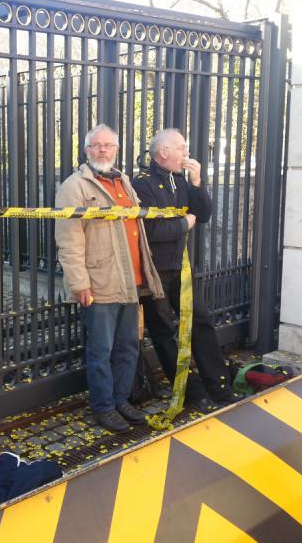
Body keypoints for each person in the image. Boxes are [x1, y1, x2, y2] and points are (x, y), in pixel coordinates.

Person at [54, 124, 164, 432]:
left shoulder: (124, 181)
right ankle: (104, 407)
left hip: (131, 279)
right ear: (86, 150)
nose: (103, 150)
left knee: (128, 346)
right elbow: (69, 240)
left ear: (116, 149)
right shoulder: (74, 187)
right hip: (100, 281)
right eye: (97, 145)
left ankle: (121, 400)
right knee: (101, 351)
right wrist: (79, 283)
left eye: (108, 145)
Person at [132, 128, 239, 410]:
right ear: (163, 152)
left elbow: (203, 214)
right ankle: (192, 394)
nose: (187, 153)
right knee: (165, 333)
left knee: (201, 322)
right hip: (153, 272)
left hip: (180, 267)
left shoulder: (180, 180)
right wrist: (184, 224)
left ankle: (220, 387)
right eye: (182, 148)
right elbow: (151, 231)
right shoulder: (142, 184)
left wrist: (197, 182)